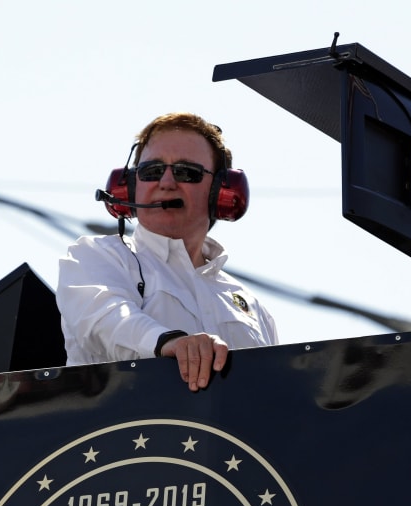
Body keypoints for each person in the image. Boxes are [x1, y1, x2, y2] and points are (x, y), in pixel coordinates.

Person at [57, 113, 278, 392]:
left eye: (187, 172)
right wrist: (169, 343)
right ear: (129, 186)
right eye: (151, 171)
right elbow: (105, 319)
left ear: (221, 193)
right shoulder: (95, 257)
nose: (167, 182)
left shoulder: (254, 308)